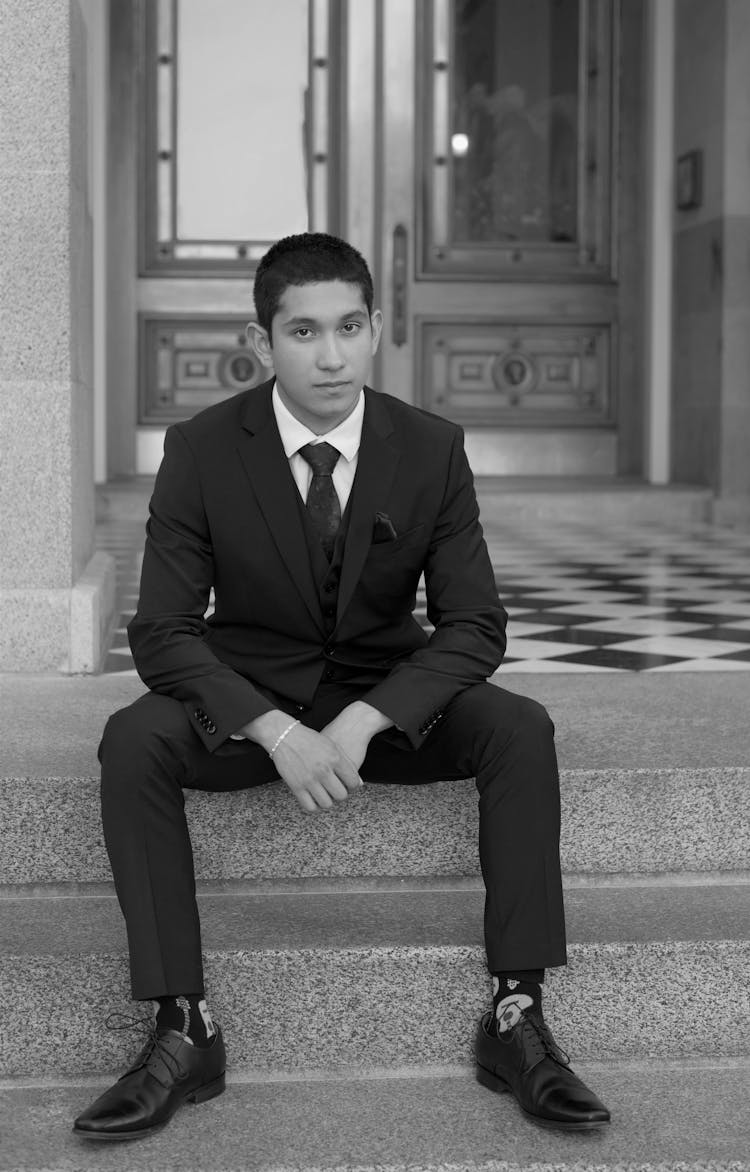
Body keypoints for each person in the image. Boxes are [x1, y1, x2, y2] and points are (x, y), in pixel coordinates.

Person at [73, 232, 609, 1141]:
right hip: (250, 705)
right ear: (262, 341)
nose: (331, 356)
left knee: (520, 727)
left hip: (384, 705)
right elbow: (161, 630)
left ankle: (516, 1017)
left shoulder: (431, 447)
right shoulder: (203, 449)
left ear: (377, 328)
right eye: (304, 332)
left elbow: (476, 623)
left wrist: (369, 716)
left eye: (350, 327)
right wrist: (275, 731)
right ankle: (181, 1026)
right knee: (133, 740)